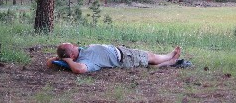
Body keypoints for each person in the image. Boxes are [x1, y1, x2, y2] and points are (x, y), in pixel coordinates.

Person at [46, 43, 181, 74]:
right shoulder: (84, 62)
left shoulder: (80, 53)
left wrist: (60, 58)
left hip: (121, 51)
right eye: (73, 47)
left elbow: (49, 62)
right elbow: (79, 70)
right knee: (151, 57)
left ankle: (169, 61)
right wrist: (68, 61)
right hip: (124, 57)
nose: (76, 46)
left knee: (148, 59)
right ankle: (169, 56)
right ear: (72, 56)